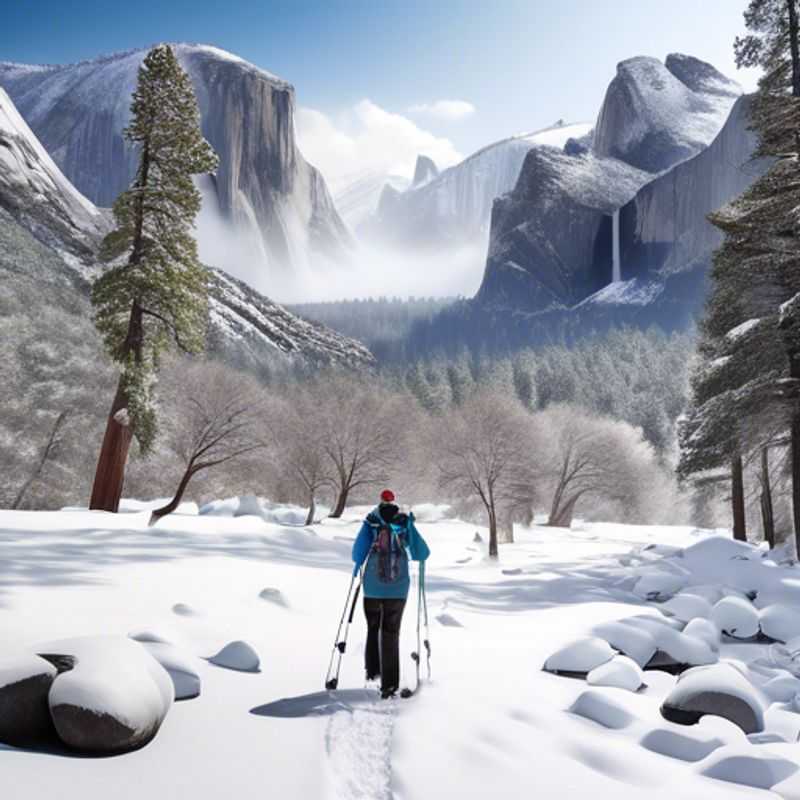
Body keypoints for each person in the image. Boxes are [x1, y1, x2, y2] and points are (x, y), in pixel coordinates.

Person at [351, 489, 430, 698]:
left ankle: (373, 671)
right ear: (394, 502)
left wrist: (357, 568)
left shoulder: (371, 521)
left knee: (373, 627)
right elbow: (422, 553)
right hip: (398, 588)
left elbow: (357, 552)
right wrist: (410, 525)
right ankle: (389, 684)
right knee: (390, 632)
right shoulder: (403, 521)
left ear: (380, 502)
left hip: (372, 587)